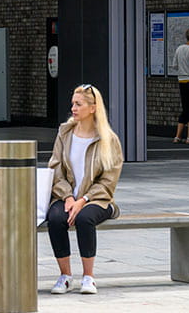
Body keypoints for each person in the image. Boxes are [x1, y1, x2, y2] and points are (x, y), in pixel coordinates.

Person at [46, 84, 123, 295]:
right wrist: (68, 197)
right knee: (55, 218)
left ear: (93, 108)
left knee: (84, 218)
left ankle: (88, 277)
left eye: (78, 104)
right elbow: (55, 169)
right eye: (73, 103)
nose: (73, 108)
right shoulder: (65, 133)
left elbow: (109, 180)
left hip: (98, 199)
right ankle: (65, 276)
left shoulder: (108, 139)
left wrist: (84, 199)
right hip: (66, 197)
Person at [172, 28, 189, 143]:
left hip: (181, 81)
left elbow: (174, 65)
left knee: (185, 108)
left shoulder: (179, 49)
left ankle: (177, 136)